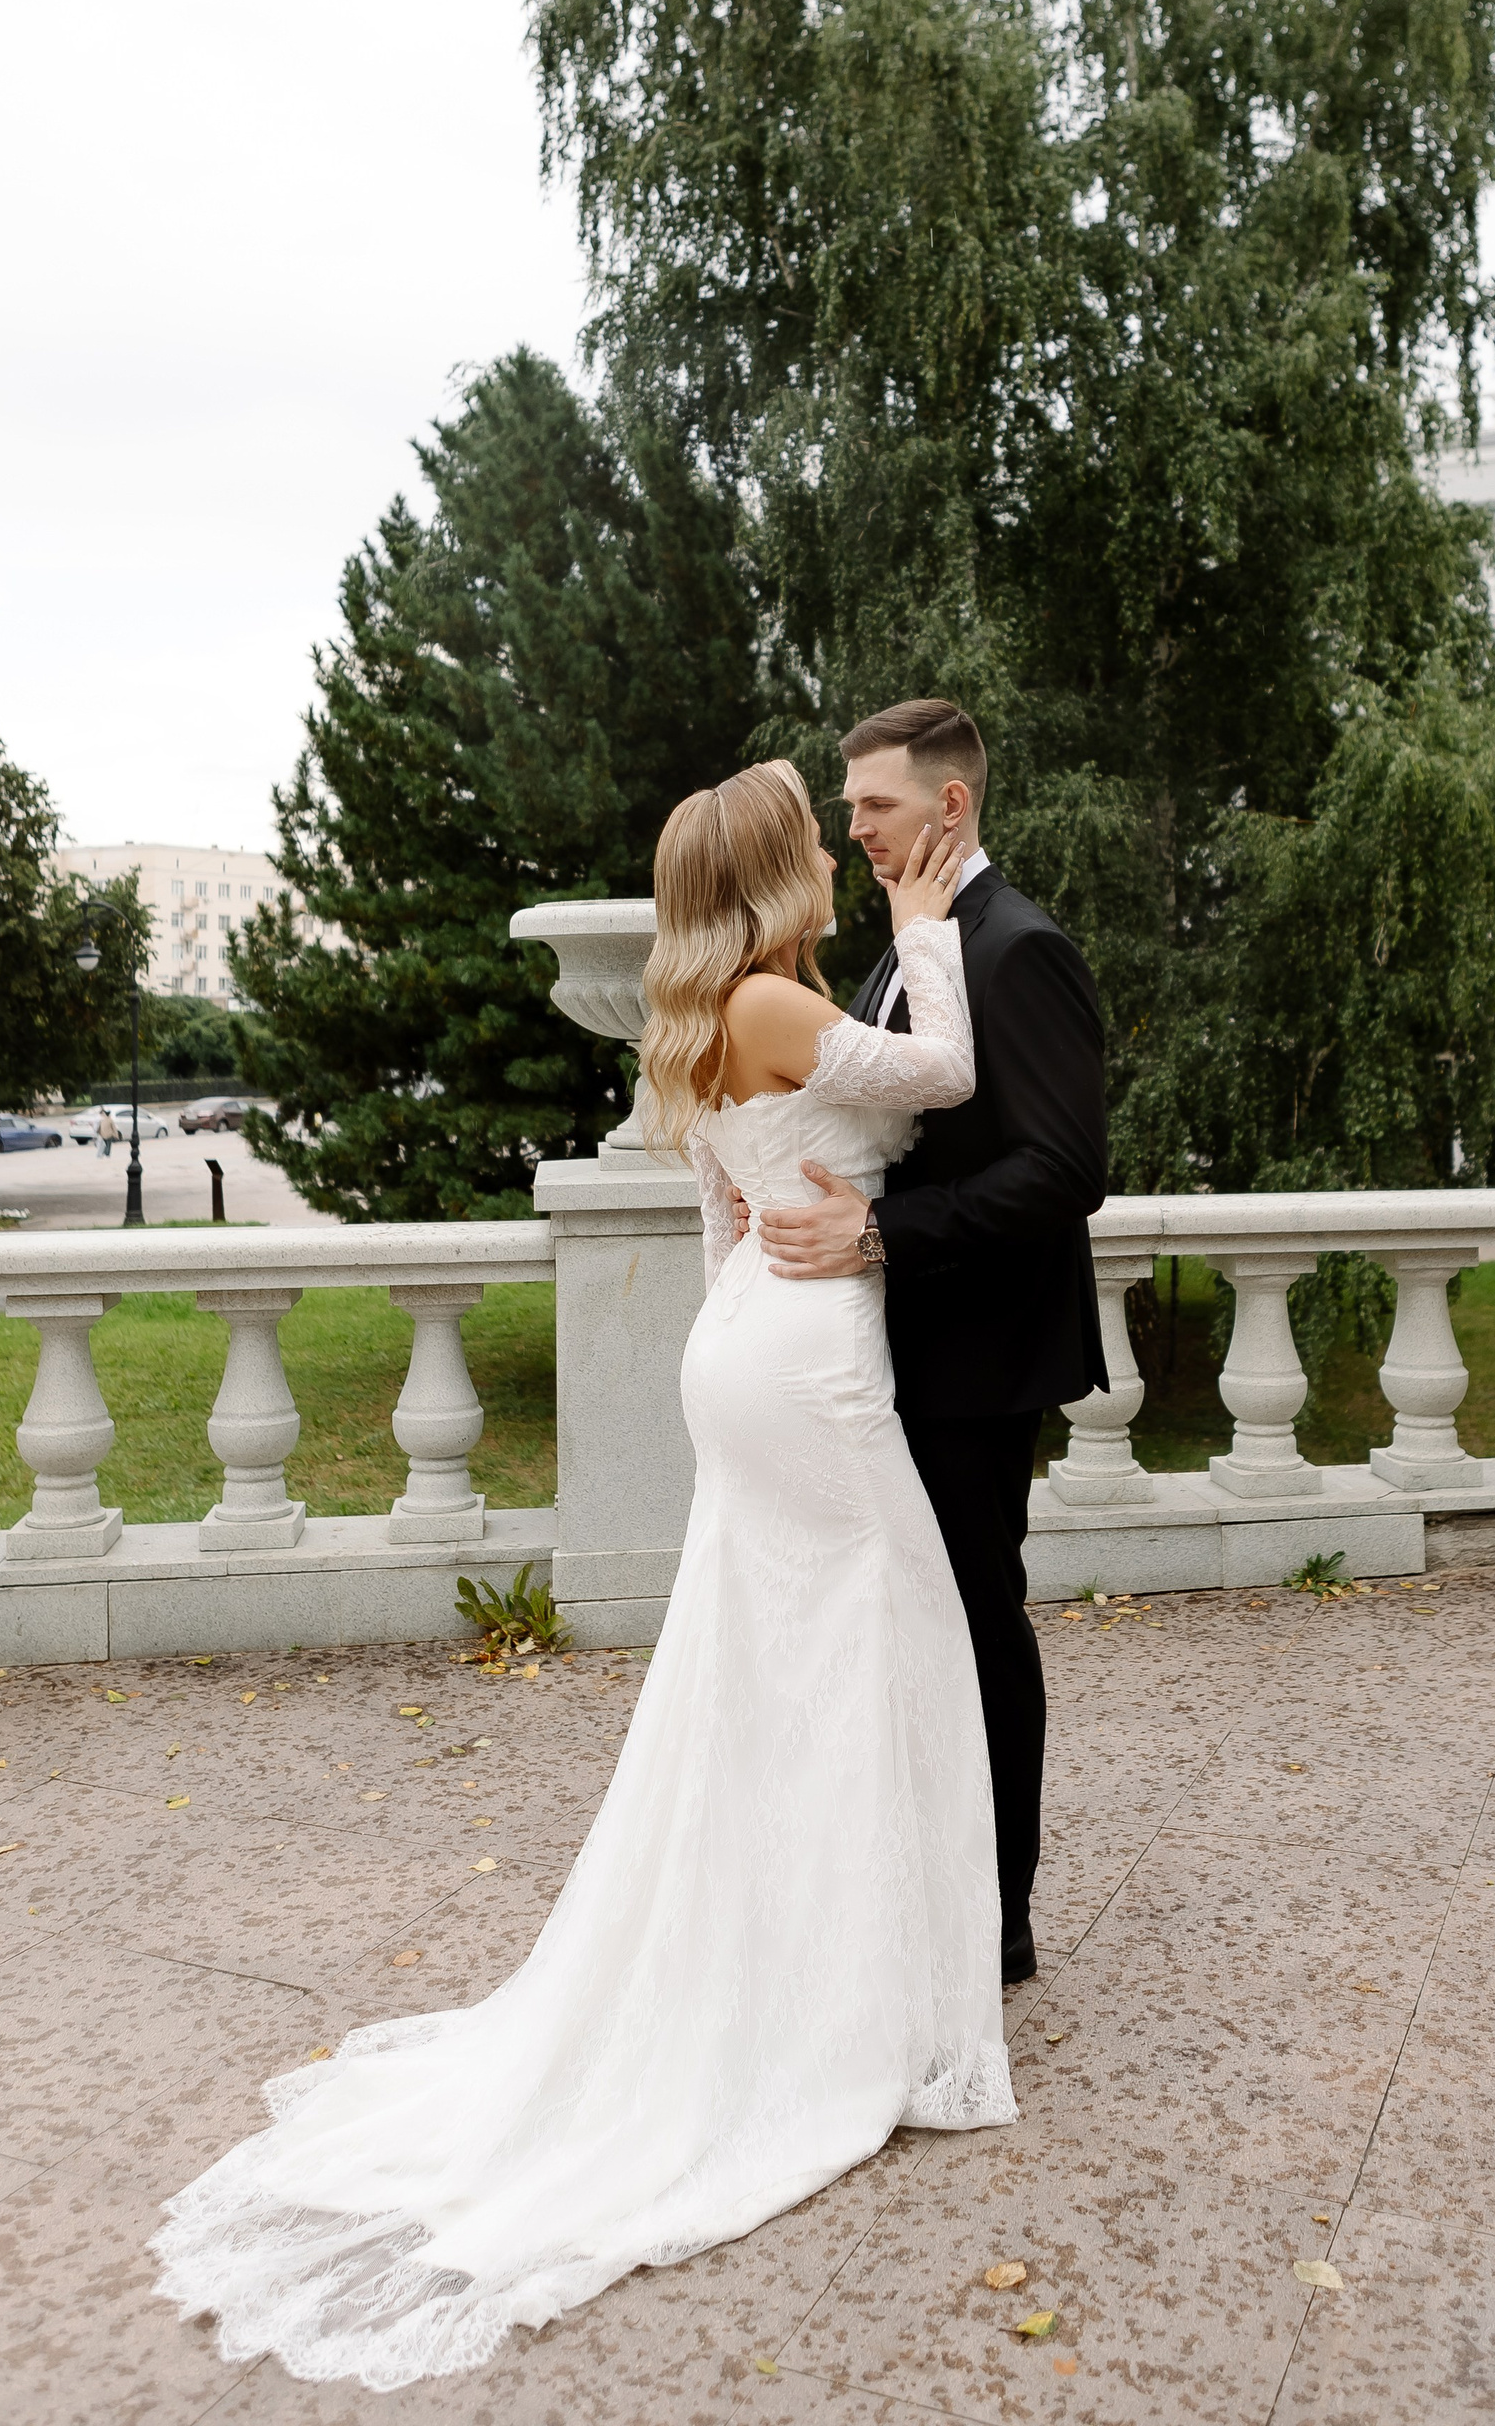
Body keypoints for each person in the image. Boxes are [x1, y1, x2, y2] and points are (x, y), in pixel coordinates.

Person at [151, 760, 1015, 2391]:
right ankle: (856, 2008)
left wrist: (751, 1330)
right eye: (816, 838)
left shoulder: (695, 1024)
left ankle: (828, 1972)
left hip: (748, 1347)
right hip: (809, 1362)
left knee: (774, 1672)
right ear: (773, 876)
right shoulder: (771, 1007)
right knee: (883, 1647)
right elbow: (953, 1076)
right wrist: (927, 924)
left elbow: (717, 1227)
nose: (841, 854)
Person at [757, 699, 1109, 1985]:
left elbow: (1065, 1170)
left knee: (974, 1624)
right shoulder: (914, 940)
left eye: (876, 805)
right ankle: (918, 1884)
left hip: (979, 1357)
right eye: (849, 806)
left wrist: (878, 1235)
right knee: (906, 1628)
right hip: (893, 1351)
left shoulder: (1018, 948)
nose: (854, 827)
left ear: (949, 805)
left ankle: (996, 1915)